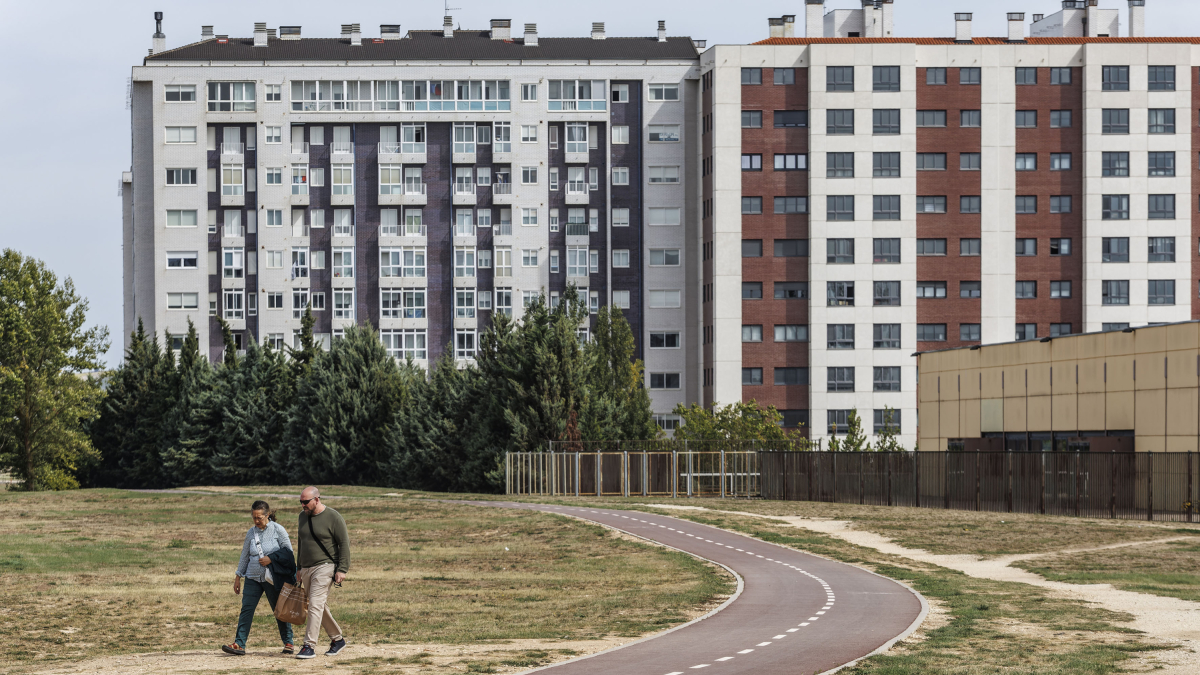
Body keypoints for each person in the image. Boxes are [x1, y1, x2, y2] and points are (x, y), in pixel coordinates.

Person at [222, 500, 295, 656]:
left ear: (267, 515)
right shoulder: (251, 532)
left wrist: (271, 558)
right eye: (254, 517)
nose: (256, 521)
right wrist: (238, 576)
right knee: (246, 610)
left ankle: (288, 642)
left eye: (259, 518)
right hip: (252, 577)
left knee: (279, 610)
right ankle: (239, 644)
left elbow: (289, 554)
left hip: (272, 578)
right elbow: (245, 556)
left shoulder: (278, 530)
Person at [295, 486, 350, 660]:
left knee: (315, 604)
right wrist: (298, 567)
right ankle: (338, 639)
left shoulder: (333, 517)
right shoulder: (302, 517)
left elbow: (344, 544)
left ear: (317, 499)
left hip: (325, 566)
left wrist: (342, 569)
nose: (303, 505)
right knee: (317, 605)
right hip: (306, 568)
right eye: (301, 502)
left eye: (306, 502)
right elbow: (300, 542)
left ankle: (309, 645)